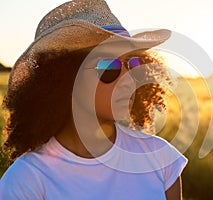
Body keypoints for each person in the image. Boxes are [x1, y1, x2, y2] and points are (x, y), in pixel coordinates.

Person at [0, 0, 187, 199]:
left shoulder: (160, 159)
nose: (129, 80)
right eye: (109, 67)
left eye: (133, 64)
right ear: (66, 79)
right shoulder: (26, 182)